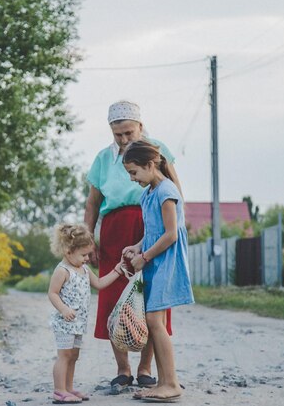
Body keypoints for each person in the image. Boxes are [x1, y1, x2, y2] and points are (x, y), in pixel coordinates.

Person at [84, 100, 183, 391]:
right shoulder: (103, 158)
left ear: (140, 126)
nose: (125, 139)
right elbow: (92, 203)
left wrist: (175, 224)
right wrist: (89, 239)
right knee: (115, 295)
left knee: (150, 298)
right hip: (115, 230)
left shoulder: (156, 149)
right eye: (118, 134)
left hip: (149, 224)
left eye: (129, 132)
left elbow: (175, 189)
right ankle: (123, 369)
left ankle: (146, 369)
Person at [121, 140, 194, 402]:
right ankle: (163, 382)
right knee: (154, 323)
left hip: (166, 261)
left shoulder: (166, 191)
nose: (132, 178)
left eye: (134, 172)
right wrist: (137, 246)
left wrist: (145, 257)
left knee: (154, 321)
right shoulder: (147, 194)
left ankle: (171, 383)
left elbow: (171, 235)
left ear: (151, 165)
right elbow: (153, 231)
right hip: (154, 259)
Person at [48, 224, 127, 404]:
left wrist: (117, 270)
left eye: (88, 255)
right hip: (65, 322)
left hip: (78, 323)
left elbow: (99, 283)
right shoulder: (62, 271)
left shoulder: (84, 270)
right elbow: (52, 293)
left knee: (74, 356)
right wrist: (63, 309)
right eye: (84, 255)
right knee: (64, 356)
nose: (87, 259)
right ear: (68, 251)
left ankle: (69, 388)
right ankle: (59, 390)